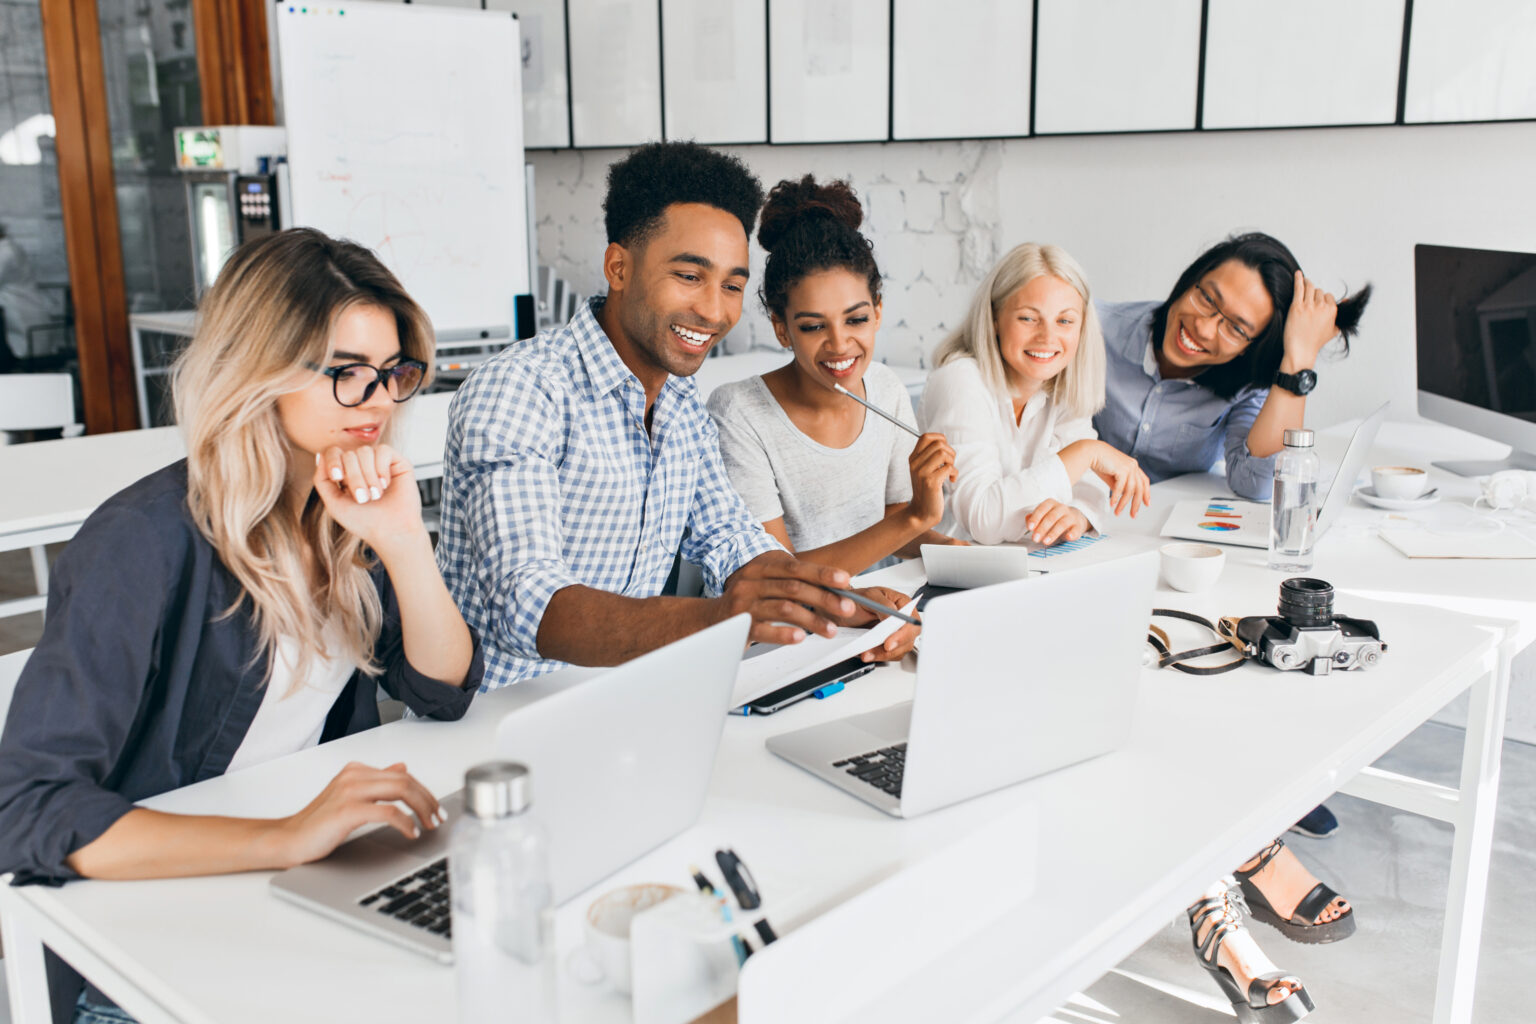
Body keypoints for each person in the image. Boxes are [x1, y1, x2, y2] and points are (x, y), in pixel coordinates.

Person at [0, 227, 483, 1022]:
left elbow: (440, 687)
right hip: (153, 948)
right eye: (347, 375)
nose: (382, 403)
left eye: (393, 373)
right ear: (259, 371)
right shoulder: (143, 541)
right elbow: (28, 808)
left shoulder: (339, 514)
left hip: (294, 897)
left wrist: (401, 541)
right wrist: (285, 838)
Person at [436, 142, 916, 691]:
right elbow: (525, 602)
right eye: (690, 276)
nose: (714, 311)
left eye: (732, 286)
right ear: (619, 267)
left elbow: (734, 542)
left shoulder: (682, 406)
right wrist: (721, 620)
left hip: (627, 703)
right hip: (496, 722)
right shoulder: (520, 389)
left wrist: (837, 602)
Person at [706, 175, 961, 576]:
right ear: (781, 327)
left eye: (856, 319)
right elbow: (775, 573)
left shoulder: (886, 389)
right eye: (812, 326)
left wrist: (960, 551)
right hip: (781, 627)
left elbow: (894, 526)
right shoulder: (738, 412)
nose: (840, 344)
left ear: (877, 312)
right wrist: (916, 516)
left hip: (869, 611)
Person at [1093, 231, 1372, 502]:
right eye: (1208, 299)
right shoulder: (1091, 328)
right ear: (1191, 280)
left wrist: (1299, 359)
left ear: (1251, 347)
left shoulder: (1247, 383)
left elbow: (1258, 483)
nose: (1203, 327)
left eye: (1236, 329)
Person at [917, 242, 1150, 547]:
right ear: (995, 318)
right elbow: (982, 520)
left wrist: (1076, 514)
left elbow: (1088, 489)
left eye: (1065, 321)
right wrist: (1086, 452)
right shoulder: (960, 380)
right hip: (950, 574)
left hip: (1029, 564)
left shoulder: (1060, 382)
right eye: (1028, 318)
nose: (1048, 337)